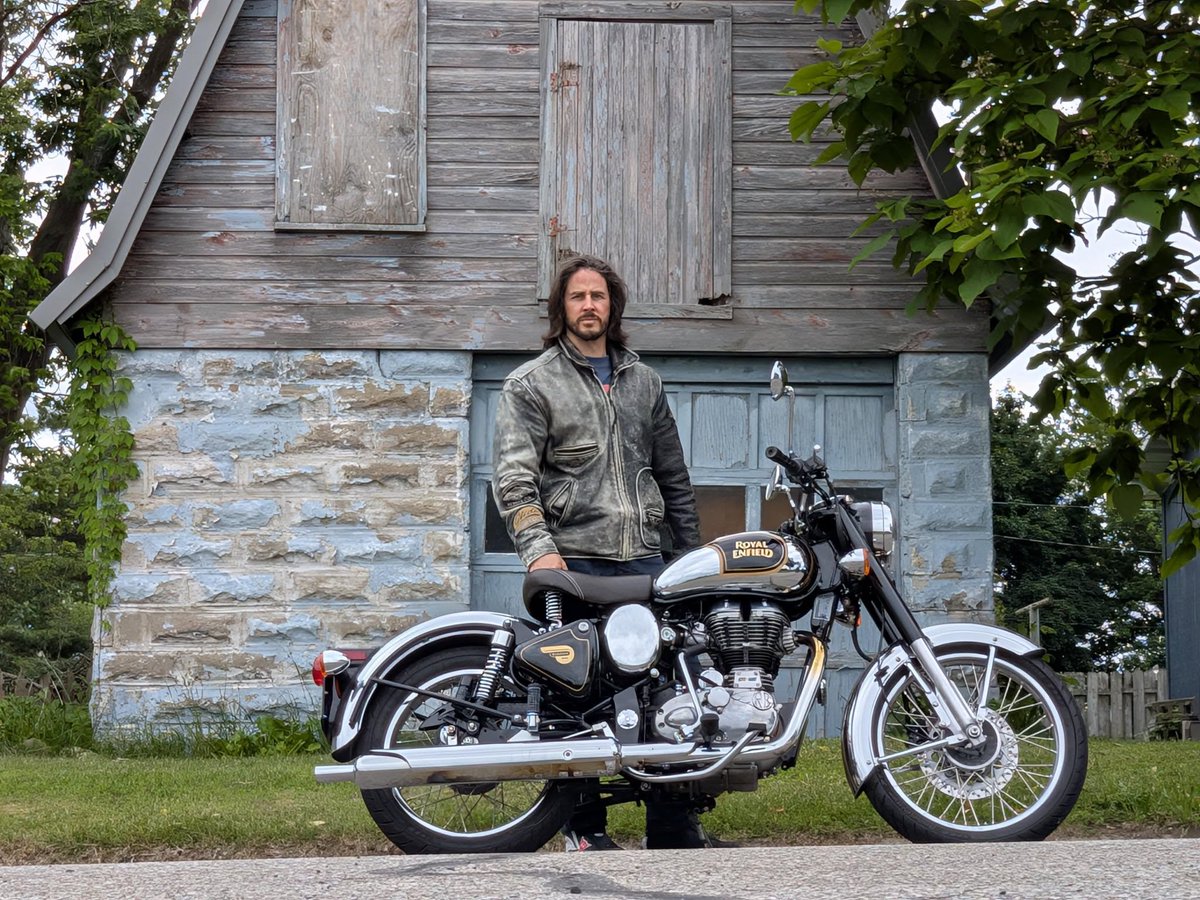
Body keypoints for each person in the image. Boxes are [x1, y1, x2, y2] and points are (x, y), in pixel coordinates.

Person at [491, 254, 710, 850]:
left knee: (667, 690)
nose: (589, 305)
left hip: (646, 562)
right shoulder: (531, 384)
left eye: (599, 296)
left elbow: (675, 479)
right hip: (574, 564)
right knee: (579, 704)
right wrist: (540, 552)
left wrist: (692, 563)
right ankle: (583, 829)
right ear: (561, 307)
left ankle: (673, 825)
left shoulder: (645, 383)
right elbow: (513, 481)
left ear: (613, 306)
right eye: (577, 296)